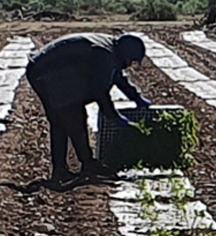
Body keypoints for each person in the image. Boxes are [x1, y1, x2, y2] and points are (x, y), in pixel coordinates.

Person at [23, 32, 152, 181]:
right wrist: (113, 116)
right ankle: (85, 165)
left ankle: (62, 170)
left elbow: (116, 77)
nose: (130, 65)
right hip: (46, 71)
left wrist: (136, 97)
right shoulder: (104, 54)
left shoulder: (111, 51)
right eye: (131, 60)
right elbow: (99, 91)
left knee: (62, 120)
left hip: (46, 68)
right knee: (71, 116)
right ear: (125, 54)